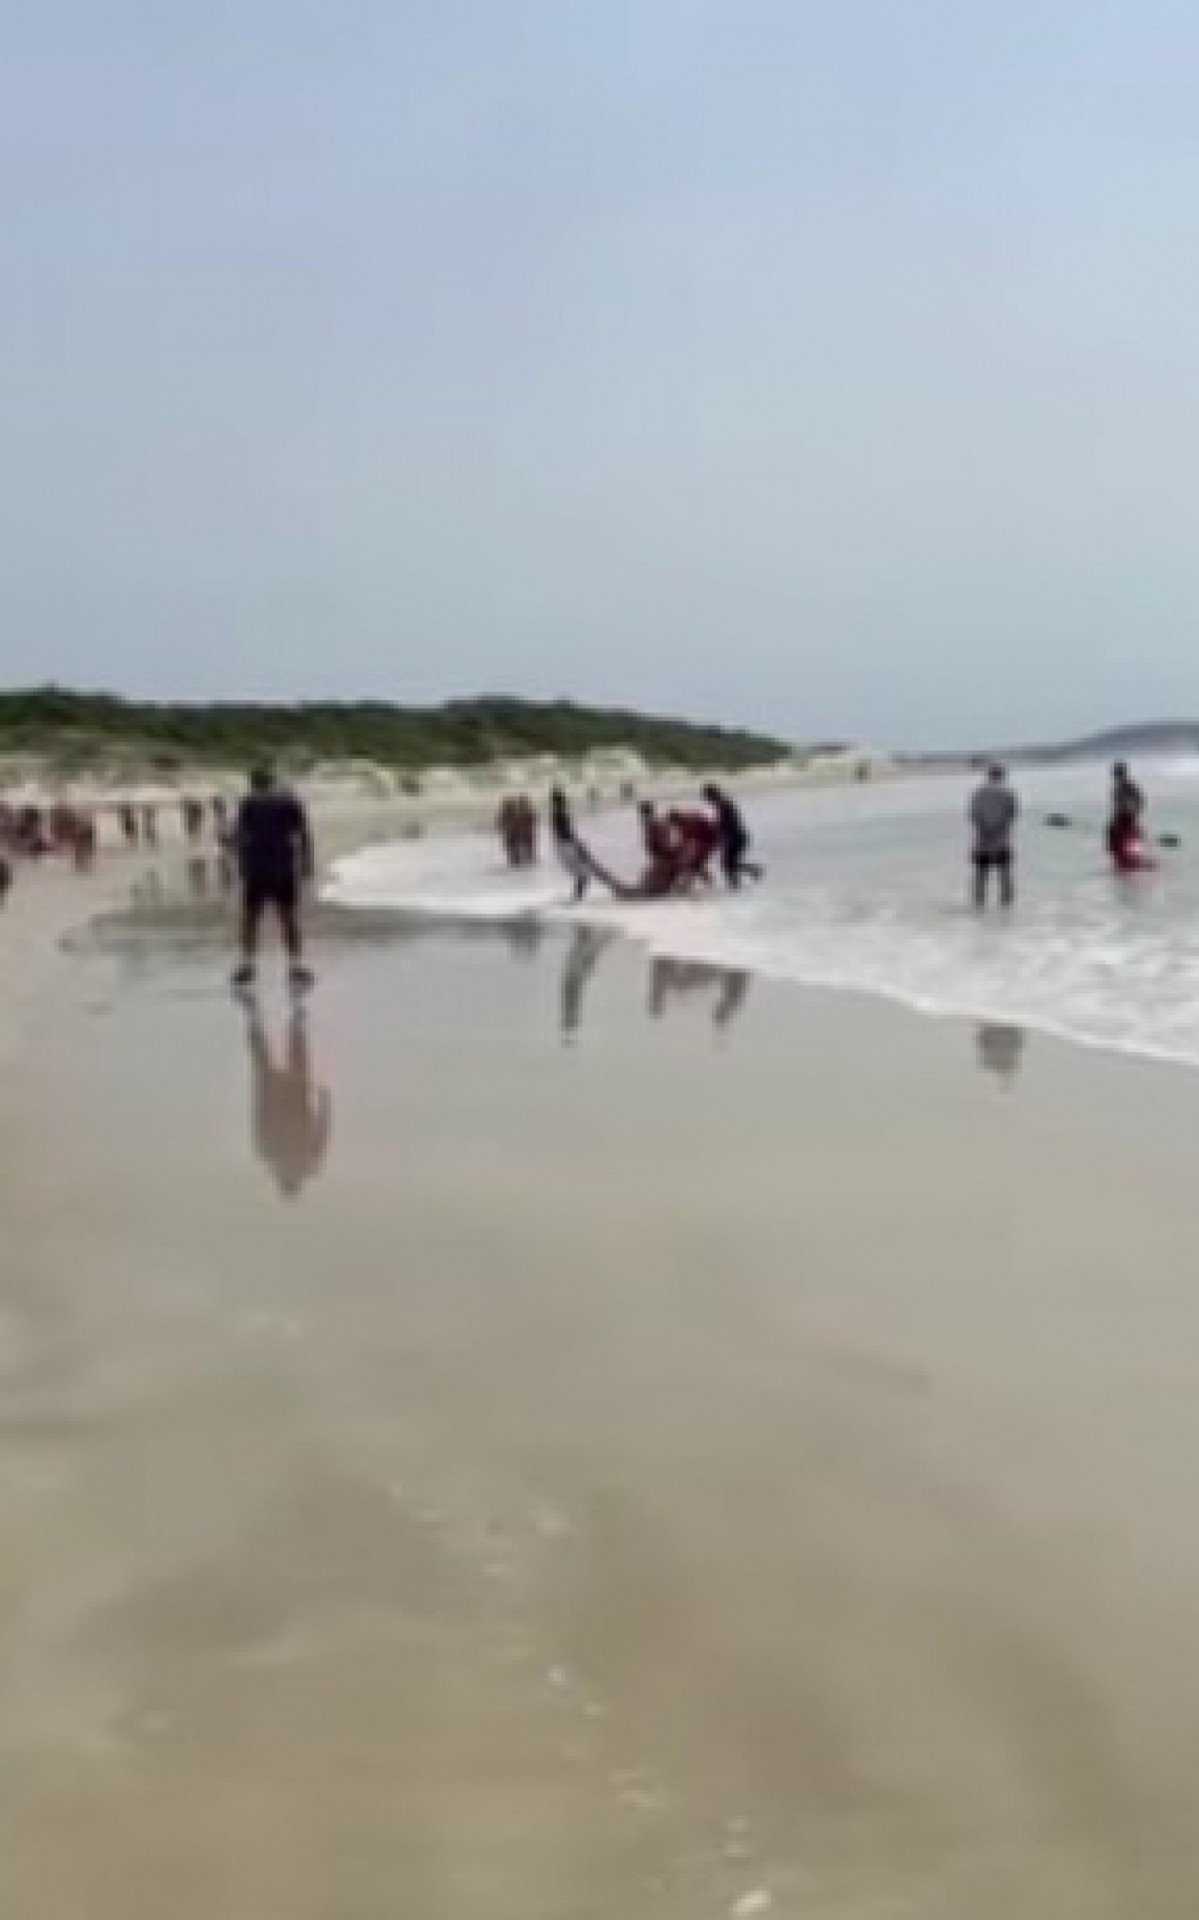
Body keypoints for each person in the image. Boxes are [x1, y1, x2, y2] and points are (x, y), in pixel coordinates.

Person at [231, 768, 315, 990]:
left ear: (253, 784)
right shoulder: (289, 802)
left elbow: (240, 836)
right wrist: (307, 862)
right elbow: (304, 833)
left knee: (251, 918)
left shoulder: (248, 804)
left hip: (256, 866)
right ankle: (296, 966)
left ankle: (247, 965)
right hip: (283, 865)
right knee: (287, 916)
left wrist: (240, 863)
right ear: (272, 782)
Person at [969, 762, 1018, 909]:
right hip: (1001, 840)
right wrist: (999, 829)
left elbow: (974, 816)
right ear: (1002, 776)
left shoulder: (978, 794)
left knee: (980, 876)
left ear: (988, 775)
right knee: (1004, 876)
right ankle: (1006, 909)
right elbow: (1012, 815)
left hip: (982, 842)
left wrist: (985, 829)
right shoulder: (1008, 794)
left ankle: (979, 908)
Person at [702, 784, 763, 888]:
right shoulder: (724, 803)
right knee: (729, 863)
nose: (707, 800)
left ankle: (738, 882)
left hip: (735, 836)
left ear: (712, 795)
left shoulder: (722, 805)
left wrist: (720, 833)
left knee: (727, 863)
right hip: (739, 835)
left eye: (707, 796)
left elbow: (727, 823)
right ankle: (745, 876)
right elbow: (727, 822)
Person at [1107, 762, 1147, 871]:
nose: (1116, 777)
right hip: (1123, 817)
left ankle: (1128, 861)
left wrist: (1132, 811)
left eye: (1116, 774)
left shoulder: (1128, 787)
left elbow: (1139, 801)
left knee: (1117, 837)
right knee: (1114, 836)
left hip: (1126, 817)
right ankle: (1122, 860)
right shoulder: (1120, 788)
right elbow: (1139, 802)